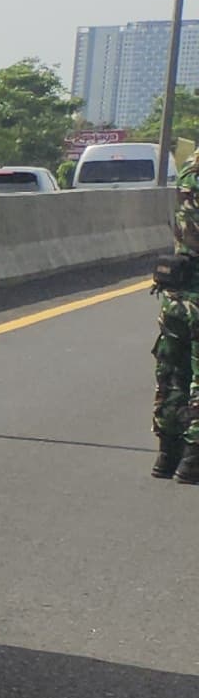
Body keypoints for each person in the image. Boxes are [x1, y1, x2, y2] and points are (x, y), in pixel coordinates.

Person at [156, 177, 199, 480]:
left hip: (175, 297)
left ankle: (167, 455)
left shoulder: (188, 170)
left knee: (172, 376)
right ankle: (192, 459)